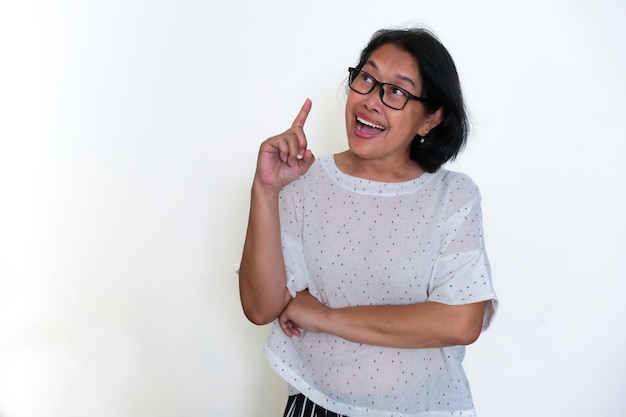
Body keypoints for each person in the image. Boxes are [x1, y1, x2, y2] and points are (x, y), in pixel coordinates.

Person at [238, 26, 498, 417]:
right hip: (315, 402)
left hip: (421, 408)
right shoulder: (304, 179)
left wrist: (325, 317)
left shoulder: (453, 196)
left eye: (397, 90)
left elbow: (460, 321)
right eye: (367, 78)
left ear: (430, 118)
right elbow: (262, 307)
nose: (372, 100)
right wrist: (265, 189)